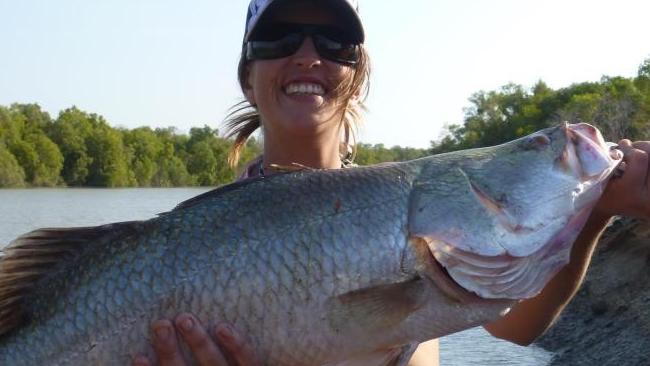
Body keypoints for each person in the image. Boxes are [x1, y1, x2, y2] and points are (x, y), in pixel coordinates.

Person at [132, 0, 650, 365]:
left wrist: (592, 210)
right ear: (248, 75)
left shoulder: (410, 216)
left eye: (336, 44)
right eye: (279, 38)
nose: (309, 55)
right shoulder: (192, 240)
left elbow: (514, 327)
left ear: (357, 75)